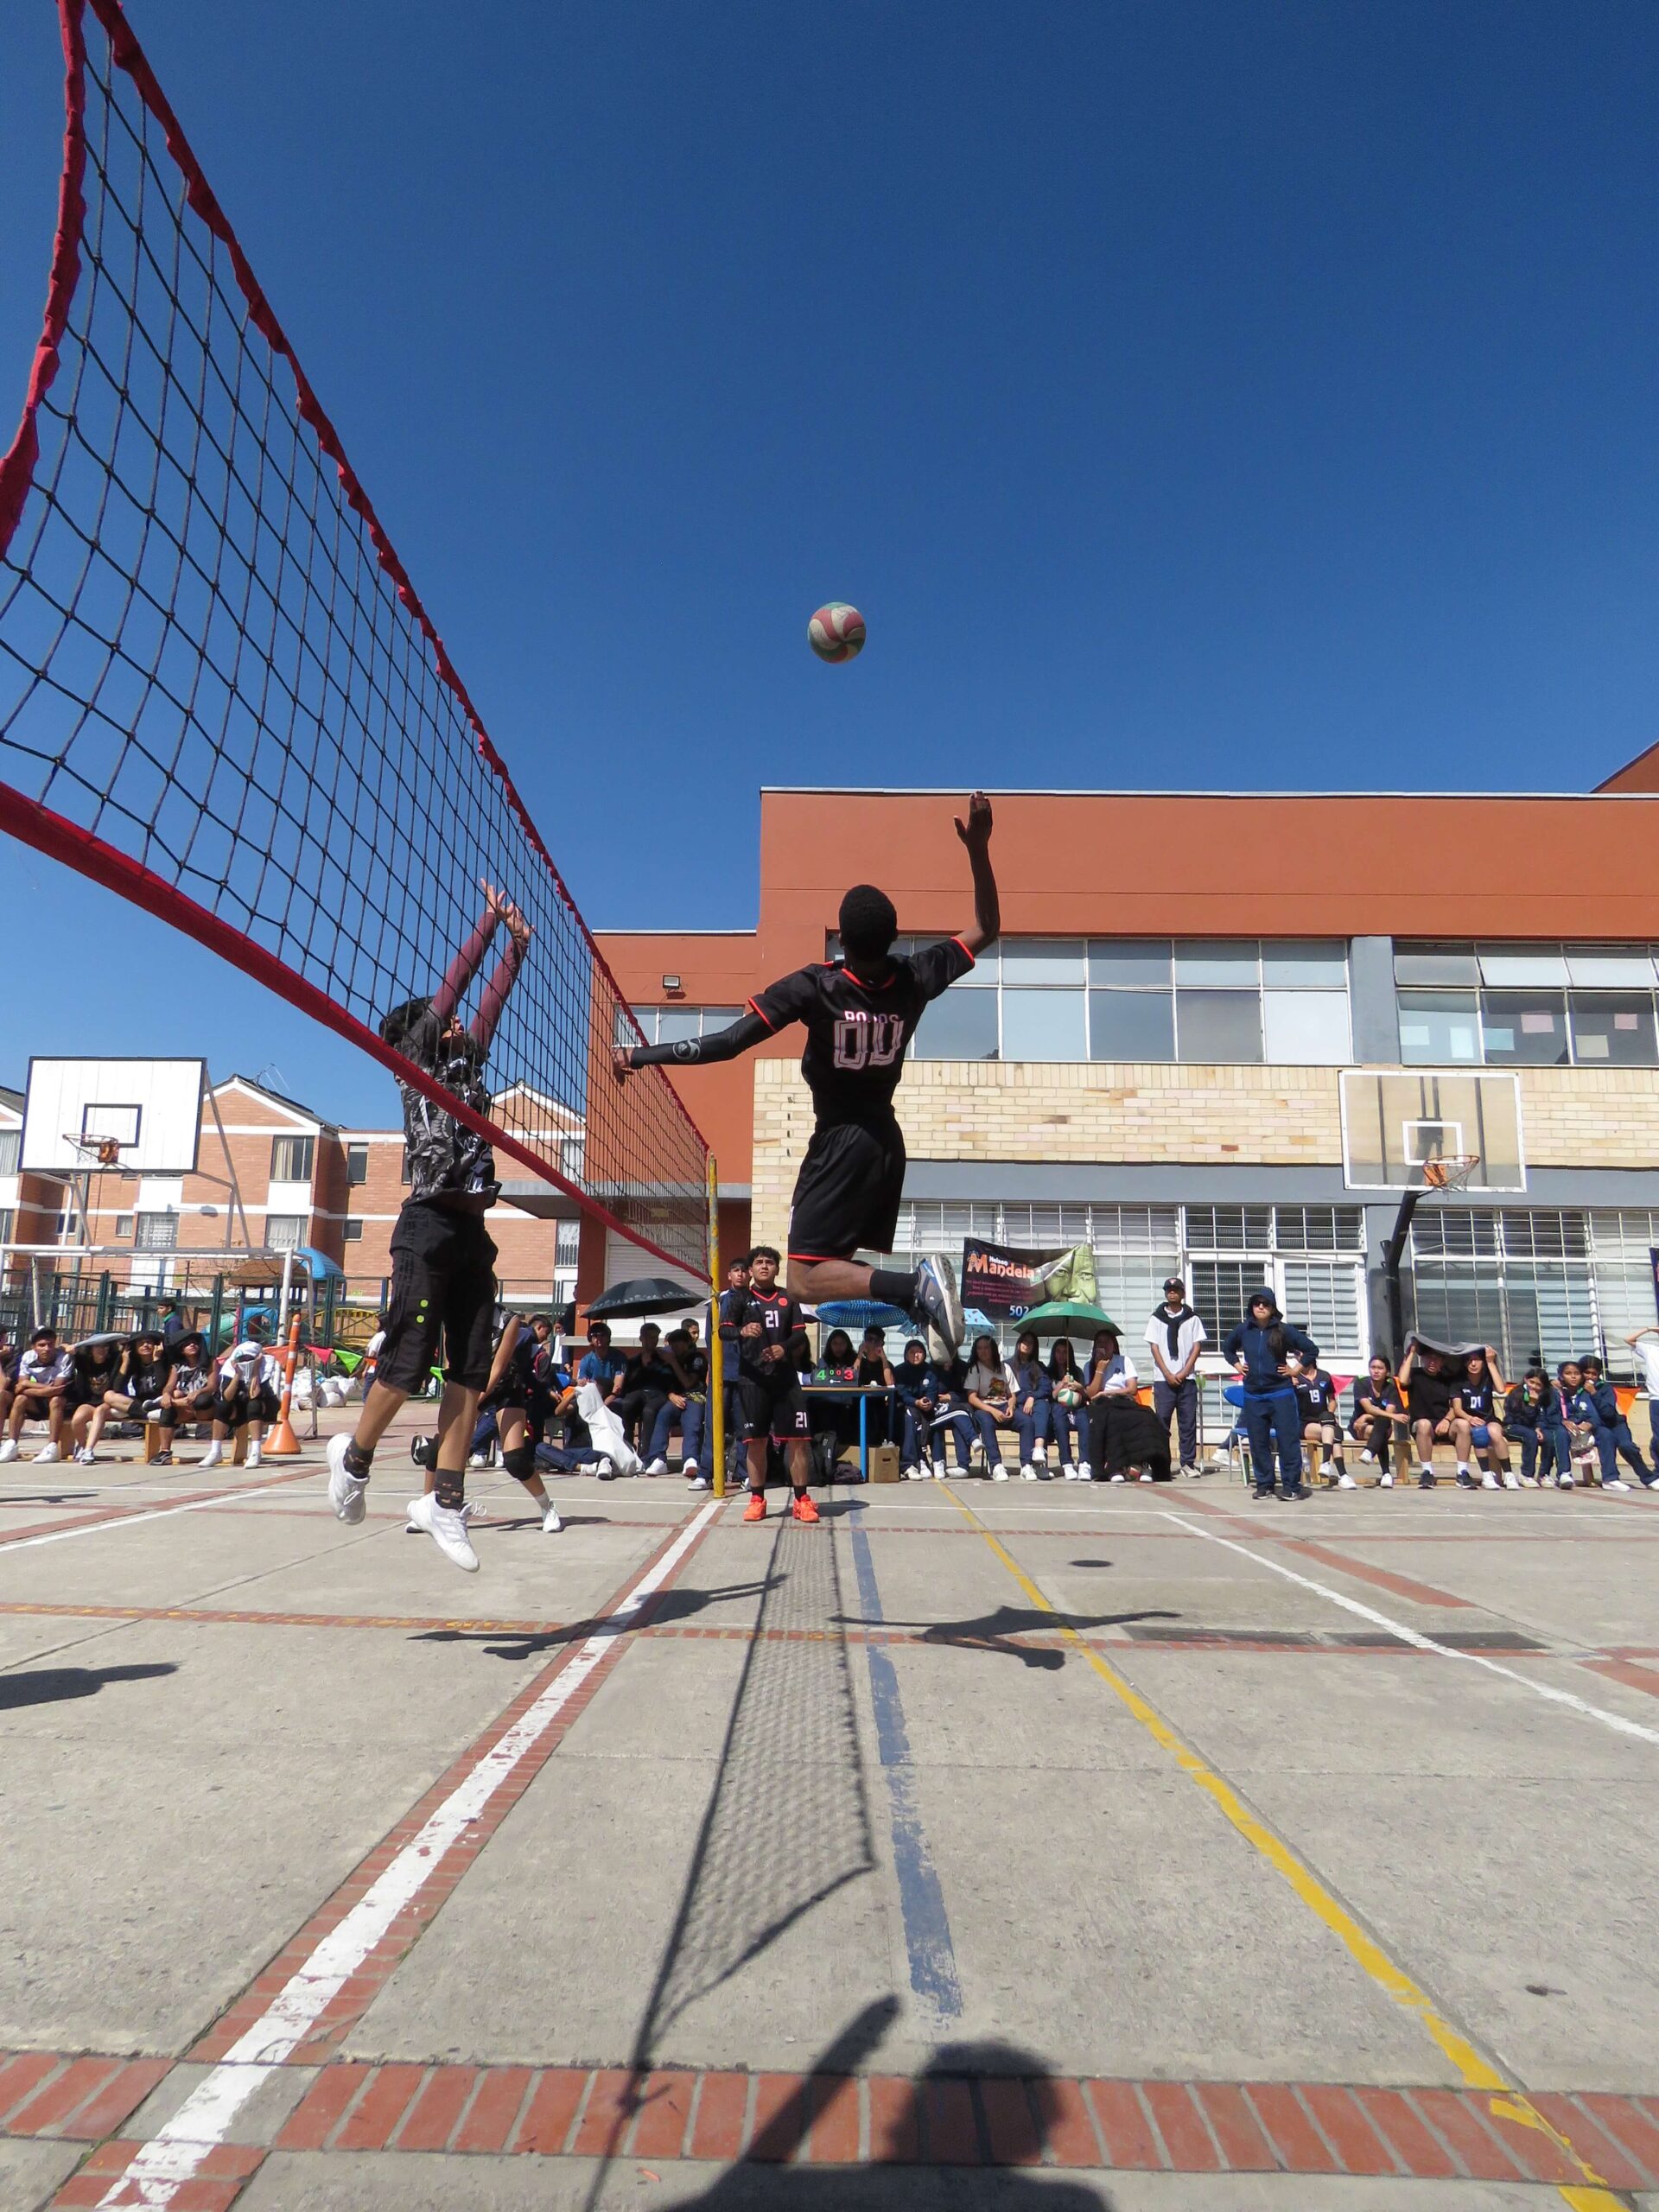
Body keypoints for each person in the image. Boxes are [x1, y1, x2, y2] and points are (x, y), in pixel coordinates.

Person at [617, 793, 1002, 1361]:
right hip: (885, 1144)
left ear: (842, 942)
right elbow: (986, 929)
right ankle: (916, 1299)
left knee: (799, 1280)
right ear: (893, 938)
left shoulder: (817, 986)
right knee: (829, 1270)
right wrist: (979, 851)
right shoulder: (915, 975)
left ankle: (913, 1285)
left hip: (841, 1140)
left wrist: (644, 1056)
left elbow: (726, 1044)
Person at [327, 880, 532, 1572]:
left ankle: (444, 1502)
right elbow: (452, 989)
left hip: (473, 1230)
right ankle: (353, 1460)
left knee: (470, 1373)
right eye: (439, 1023)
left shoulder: (467, 1066)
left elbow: (489, 1008)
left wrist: (519, 949)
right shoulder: (413, 1063)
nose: (452, 1027)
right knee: (409, 1362)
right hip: (424, 1228)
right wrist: (487, 925)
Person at [732, 1246, 819, 1522]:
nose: (764, 1266)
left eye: (770, 1262)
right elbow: (723, 1330)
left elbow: (800, 1334)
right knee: (755, 1441)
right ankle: (757, 1498)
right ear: (751, 1270)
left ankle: (802, 1500)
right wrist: (741, 1331)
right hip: (752, 1380)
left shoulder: (788, 1297)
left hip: (785, 1381)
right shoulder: (740, 1299)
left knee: (798, 1440)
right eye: (759, 1263)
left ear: (777, 1269)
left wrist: (784, 1347)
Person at [1223, 1291, 1318, 1502]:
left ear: (1273, 1307)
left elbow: (1311, 1349)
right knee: (1258, 1442)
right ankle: (1264, 1485)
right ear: (1251, 1307)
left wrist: (1295, 1370)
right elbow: (1227, 1348)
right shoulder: (1244, 1329)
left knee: (1287, 1441)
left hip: (1280, 1393)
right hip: (1254, 1395)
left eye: (1265, 1304)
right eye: (1256, 1303)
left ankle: (1292, 1486)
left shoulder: (1284, 1331)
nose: (1261, 1307)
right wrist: (1238, 1365)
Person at [1084, 1327, 1168, 1484]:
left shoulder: (1124, 1361)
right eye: (1099, 1343)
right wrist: (1099, 1369)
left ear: (1113, 1345)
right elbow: (1091, 1393)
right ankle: (1115, 1467)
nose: (1103, 1346)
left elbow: (1132, 1388)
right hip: (1102, 1405)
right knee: (1112, 1419)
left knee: (1146, 1416)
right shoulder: (1089, 1365)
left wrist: (1110, 1393)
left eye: (1106, 1342)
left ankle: (1145, 1464)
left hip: (1123, 1400)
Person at [1144, 1278, 1205, 1478]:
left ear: (1182, 1293)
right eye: (1169, 1290)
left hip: (1186, 1379)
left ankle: (1188, 1463)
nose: (1172, 1293)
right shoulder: (1156, 1318)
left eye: (1176, 1290)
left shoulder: (1192, 1318)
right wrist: (1168, 1374)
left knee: (1187, 1423)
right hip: (1163, 1380)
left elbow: (1197, 1346)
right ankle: (1161, 1465)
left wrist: (1184, 1371)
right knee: (1161, 1423)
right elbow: (1154, 1347)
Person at [201, 1319, 282, 1468]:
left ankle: (256, 1452)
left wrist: (255, 1370)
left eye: (248, 1359)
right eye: (241, 1359)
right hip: (238, 1403)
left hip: (264, 1405)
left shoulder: (265, 1366)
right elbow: (227, 1396)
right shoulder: (230, 1368)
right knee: (222, 1406)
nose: (245, 1361)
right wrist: (237, 1374)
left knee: (254, 1405)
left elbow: (255, 1394)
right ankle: (215, 1451)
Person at [1400, 1340, 1471, 1491]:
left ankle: (1462, 1472)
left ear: (1442, 1361)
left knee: (1463, 1424)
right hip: (1423, 1427)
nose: (1432, 1362)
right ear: (1423, 1359)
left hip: (1445, 1424)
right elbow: (1403, 1380)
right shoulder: (1416, 1374)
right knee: (1424, 1424)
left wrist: (1447, 1420)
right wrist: (1411, 1353)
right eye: (1429, 1358)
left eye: (1436, 1359)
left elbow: (1455, 1405)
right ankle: (1427, 1471)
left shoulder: (1448, 1378)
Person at [1578, 1354, 1654, 1491]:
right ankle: (1610, 1478)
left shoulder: (1605, 1388)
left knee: (1627, 1446)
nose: (1590, 1377)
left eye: (1594, 1374)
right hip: (1598, 1426)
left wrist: (1594, 1393)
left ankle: (1649, 1478)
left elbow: (1608, 1413)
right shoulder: (1576, 1389)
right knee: (1606, 1437)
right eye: (1586, 1372)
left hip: (1615, 1423)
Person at [0, 1326, 73, 1463]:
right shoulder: (28, 1357)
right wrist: (43, 1390)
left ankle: (52, 1447)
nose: (47, 1348)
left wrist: (29, 1386)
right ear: (34, 1347)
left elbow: (58, 1388)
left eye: (50, 1344)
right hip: (37, 1401)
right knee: (21, 1399)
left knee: (56, 1400)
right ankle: (11, 1444)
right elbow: (20, 1387)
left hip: (60, 1403)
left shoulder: (63, 1358)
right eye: (42, 1345)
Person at [648, 1326, 709, 1488]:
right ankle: (658, 1459)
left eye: (679, 1345)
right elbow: (665, 1383)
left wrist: (674, 1363)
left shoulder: (698, 1358)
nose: (675, 1348)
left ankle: (690, 1458)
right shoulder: (669, 1359)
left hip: (695, 1398)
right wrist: (671, 1395)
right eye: (673, 1345)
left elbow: (689, 1382)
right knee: (663, 1416)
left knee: (692, 1423)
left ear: (687, 1343)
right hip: (675, 1398)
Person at [152, 1332, 218, 1465]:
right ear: (181, 1349)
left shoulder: (211, 1362)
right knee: (169, 1405)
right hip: (185, 1408)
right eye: (187, 1344)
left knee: (202, 1400)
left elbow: (212, 1386)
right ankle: (165, 1452)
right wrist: (165, 1394)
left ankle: (156, 1406)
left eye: (194, 1343)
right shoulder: (177, 1366)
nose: (192, 1345)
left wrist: (199, 1391)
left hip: (204, 1408)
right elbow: (169, 1386)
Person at [618, 1324, 676, 1472]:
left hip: (659, 1394)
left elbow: (669, 1382)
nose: (653, 1341)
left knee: (649, 1411)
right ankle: (628, 1447)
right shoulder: (633, 1362)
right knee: (628, 1404)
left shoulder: (664, 1359)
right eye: (649, 1337)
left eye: (655, 1337)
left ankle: (646, 1455)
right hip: (638, 1393)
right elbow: (627, 1386)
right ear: (641, 1338)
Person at [1452, 1349, 1512, 1489]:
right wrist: (1469, 1418)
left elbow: (1501, 1389)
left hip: (1488, 1419)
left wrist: (1491, 1362)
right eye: (1469, 1360)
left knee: (1496, 1433)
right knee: (1480, 1433)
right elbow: (1457, 1409)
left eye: (1477, 1360)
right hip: (1469, 1420)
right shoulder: (1459, 1382)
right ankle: (1486, 1475)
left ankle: (1509, 1474)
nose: (1473, 1364)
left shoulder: (1487, 1377)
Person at [1503, 1367, 1568, 1488]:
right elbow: (1519, 1418)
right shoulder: (1517, 1393)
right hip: (1512, 1426)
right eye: (1532, 1382)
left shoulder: (1544, 1396)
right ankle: (1526, 1474)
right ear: (1526, 1380)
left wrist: (1538, 1427)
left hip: (1531, 1427)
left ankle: (1544, 1474)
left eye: (1538, 1385)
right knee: (1530, 1436)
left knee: (1549, 1437)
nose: (1534, 1387)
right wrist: (1532, 1403)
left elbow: (1540, 1416)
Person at [67, 1337, 130, 1464]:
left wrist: (123, 1350)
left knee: (100, 1411)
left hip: (109, 1403)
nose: (102, 1350)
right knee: (77, 1419)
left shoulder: (114, 1360)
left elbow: (125, 1344)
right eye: (98, 1347)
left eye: (105, 1347)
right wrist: (68, 1347)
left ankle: (89, 1451)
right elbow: (66, 1349)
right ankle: (82, 1446)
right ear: (91, 1349)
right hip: (90, 1401)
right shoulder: (83, 1361)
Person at [963, 1332, 1016, 1478]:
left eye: (986, 1347)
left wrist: (1011, 1406)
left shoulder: (1005, 1368)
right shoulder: (975, 1369)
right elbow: (972, 1398)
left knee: (1027, 1422)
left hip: (1004, 1406)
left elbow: (1012, 1394)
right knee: (986, 1422)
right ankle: (996, 1465)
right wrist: (992, 1411)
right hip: (984, 1408)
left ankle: (1027, 1465)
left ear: (992, 1349)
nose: (983, 1351)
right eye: (979, 1348)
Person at [1293, 1357, 1351, 1487]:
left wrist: (1330, 1413)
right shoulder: (1294, 1376)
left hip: (1324, 1420)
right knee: (1332, 1432)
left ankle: (1328, 1466)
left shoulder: (1324, 1376)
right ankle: (1341, 1473)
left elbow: (1332, 1400)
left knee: (1331, 1427)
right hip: (1305, 1423)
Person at [1351, 1354, 1408, 1485]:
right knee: (1380, 1428)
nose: (1376, 1371)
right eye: (1373, 1367)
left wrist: (1366, 1416)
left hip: (1380, 1425)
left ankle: (1369, 1451)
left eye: (1380, 1368)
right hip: (1360, 1426)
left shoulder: (1391, 1388)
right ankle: (1386, 1473)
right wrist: (1393, 1416)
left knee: (1381, 1424)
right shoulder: (1361, 1383)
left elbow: (1388, 1413)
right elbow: (1369, 1408)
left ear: (1387, 1371)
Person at [1006, 1328, 1053, 1478]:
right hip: (1016, 1405)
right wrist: (1025, 1398)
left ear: (1035, 1347)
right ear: (1018, 1343)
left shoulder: (1039, 1367)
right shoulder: (1007, 1365)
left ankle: (1039, 1457)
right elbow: (1006, 1389)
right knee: (1032, 1419)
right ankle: (1027, 1465)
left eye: (1031, 1343)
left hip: (1034, 1404)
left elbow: (1046, 1388)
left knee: (1043, 1407)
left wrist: (1032, 1397)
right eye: (1024, 1341)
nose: (1027, 1345)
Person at [893, 1338, 943, 1478]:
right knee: (910, 1419)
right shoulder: (899, 1371)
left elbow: (932, 1390)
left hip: (926, 1406)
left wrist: (929, 1401)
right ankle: (909, 1464)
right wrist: (916, 1402)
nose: (916, 1355)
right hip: (907, 1405)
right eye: (912, 1352)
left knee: (937, 1420)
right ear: (906, 1354)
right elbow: (901, 1393)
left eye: (919, 1352)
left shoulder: (930, 1370)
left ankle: (935, 1461)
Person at [1046, 1337, 1088, 1478]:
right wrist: (1061, 1384)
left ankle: (1084, 1463)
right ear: (1054, 1353)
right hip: (1058, 1407)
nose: (1061, 1355)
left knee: (1084, 1421)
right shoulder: (1048, 1372)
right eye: (1058, 1351)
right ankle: (1067, 1464)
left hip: (1077, 1407)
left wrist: (1079, 1387)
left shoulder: (1077, 1371)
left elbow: (1085, 1395)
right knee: (1059, 1421)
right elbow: (1050, 1396)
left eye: (1065, 1352)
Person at [1555, 1360, 1600, 1487]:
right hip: (1562, 1427)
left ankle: (1596, 1476)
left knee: (1602, 1434)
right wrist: (1563, 1421)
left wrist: (1589, 1423)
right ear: (1561, 1376)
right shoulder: (1557, 1392)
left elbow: (1594, 1415)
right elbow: (1551, 1413)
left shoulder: (1586, 1393)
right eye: (1568, 1373)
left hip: (1583, 1429)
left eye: (1577, 1373)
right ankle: (1564, 1473)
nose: (1573, 1377)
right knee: (1561, 1434)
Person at [855, 1327, 898, 1446]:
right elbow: (853, 1377)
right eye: (869, 1339)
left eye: (876, 1340)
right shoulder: (860, 1362)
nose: (872, 1343)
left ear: (882, 1343)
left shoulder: (886, 1365)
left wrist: (883, 1358)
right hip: (861, 1401)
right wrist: (859, 1355)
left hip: (880, 1402)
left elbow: (890, 1384)